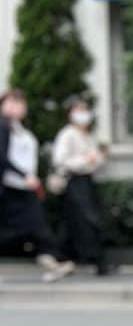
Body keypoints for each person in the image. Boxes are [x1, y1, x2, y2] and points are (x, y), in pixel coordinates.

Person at [0, 88, 75, 282]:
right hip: (12, 186)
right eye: (11, 102)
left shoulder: (18, 128)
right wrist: (25, 175)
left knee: (34, 226)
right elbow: (2, 158)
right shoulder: (3, 126)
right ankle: (53, 259)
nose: (18, 107)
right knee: (28, 227)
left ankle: (51, 260)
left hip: (24, 186)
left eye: (20, 102)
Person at [50, 96, 113, 276]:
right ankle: (96, 261)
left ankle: (67, 258)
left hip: (86, 181)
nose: (83, 114)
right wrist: (86, 159)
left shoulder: (88, 135)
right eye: (78, 110)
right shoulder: (67, 134)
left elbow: (95, 161)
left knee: (74, 223)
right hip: (74, 181)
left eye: (85, 110)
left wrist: (98, 158)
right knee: (89, 220)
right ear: (70, 114)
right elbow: (60, 160)